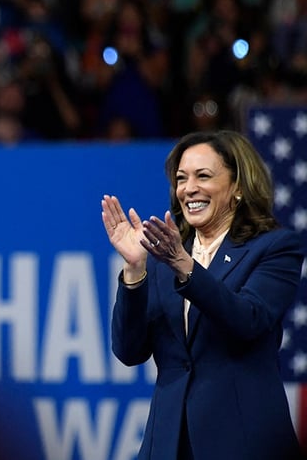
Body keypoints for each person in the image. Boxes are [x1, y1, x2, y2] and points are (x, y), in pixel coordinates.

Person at [100, 130, 305, 460]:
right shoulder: (162, 258)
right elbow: (129, 350)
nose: (188, 188)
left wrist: (185, 265)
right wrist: (135, 269)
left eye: (203, 176)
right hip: (167, 443)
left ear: (237, 187)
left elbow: (248, 320)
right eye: (181, 178)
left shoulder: (274, 248)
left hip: (243, 442)